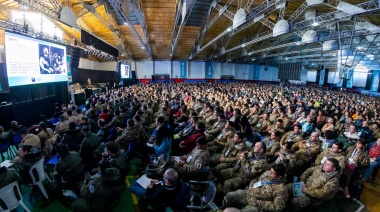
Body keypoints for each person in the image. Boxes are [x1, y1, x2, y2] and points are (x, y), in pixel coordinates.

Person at [222, 164, 288, 212]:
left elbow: (278, 208)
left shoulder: (281, 190)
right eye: (270, 170)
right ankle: (221, 208)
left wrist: (259, 202)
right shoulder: (267, 173)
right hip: (249, 193)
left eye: (272, 173)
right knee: (229, 196)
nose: (269, 173)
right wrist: (251, 187)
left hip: (258, 206)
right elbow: (256, 180)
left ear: (279, 177)